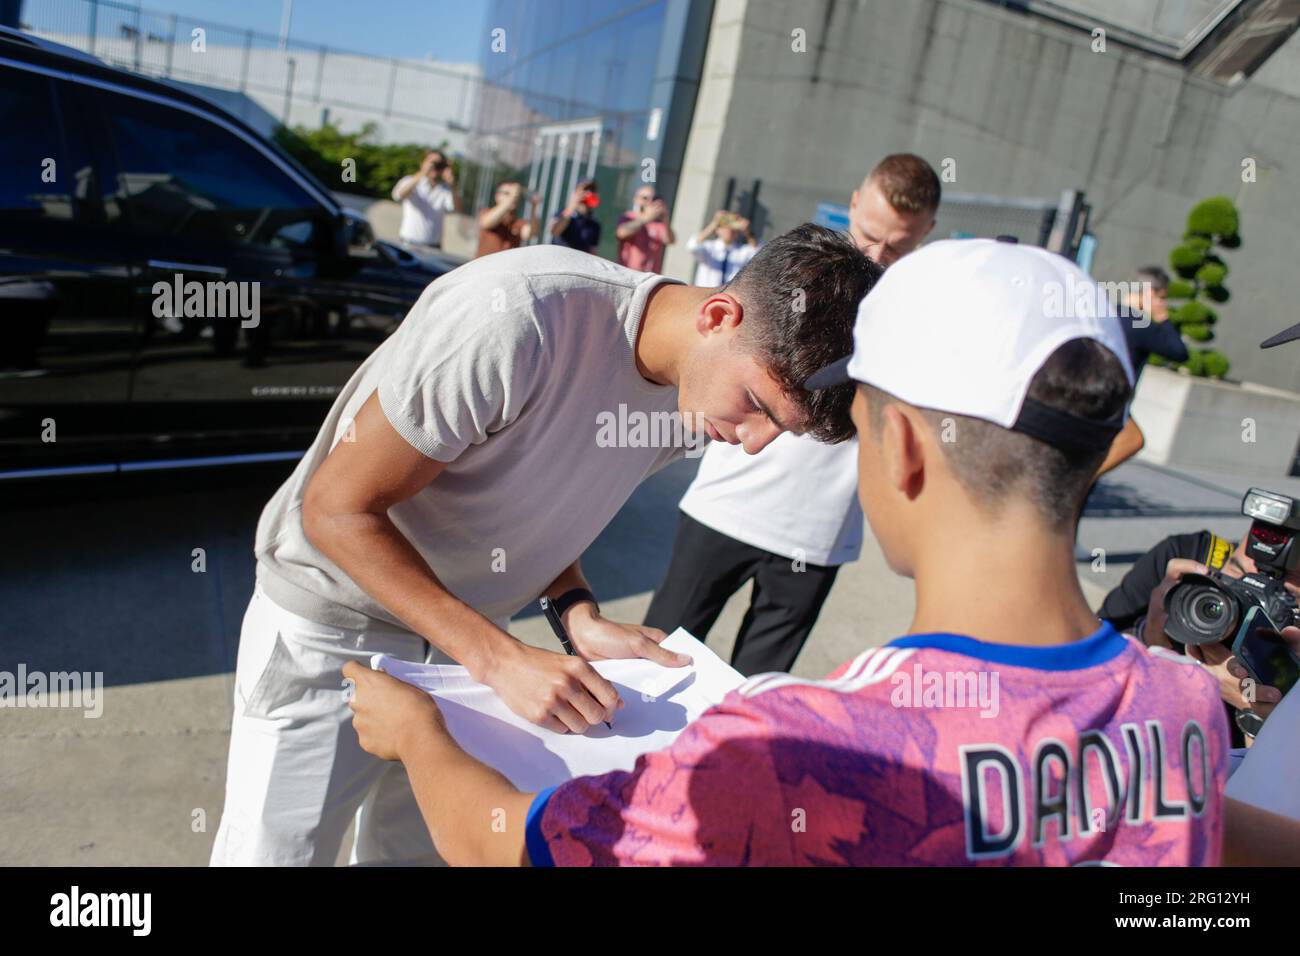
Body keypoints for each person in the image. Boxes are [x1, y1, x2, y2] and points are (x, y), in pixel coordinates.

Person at [343, 238, 1229, 866]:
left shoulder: (802, 749)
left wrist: (419, 737)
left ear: (904, 450)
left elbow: (505, 842)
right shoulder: (1184, 707)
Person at [208, 224, 877, 866]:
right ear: (718, 315)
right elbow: (336, 509)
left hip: (467, 646)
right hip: (338, 628)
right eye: (758, 405)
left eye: (779, 430)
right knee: (279, 856)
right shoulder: (519, 317)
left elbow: (543, 500)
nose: (753, 441)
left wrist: (575, 610)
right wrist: (498, 660)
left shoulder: (699, 396)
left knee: (419, 853)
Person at [643, 153, 939, 676]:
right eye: (869, 233)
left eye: (897, 245)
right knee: (657, 657)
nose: (876, 252)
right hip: (726, 504)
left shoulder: (925, 317)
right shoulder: (793, 273)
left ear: (927, 233)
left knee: (756, 692)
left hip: (816, 533)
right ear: (852, 202)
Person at [1098, 526, 1300, 746]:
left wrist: (1257, 711)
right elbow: (1083, 662)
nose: (1242, 599)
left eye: (1282, 597)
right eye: (1237, 575)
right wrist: (1151, 637)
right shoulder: (1189, 563)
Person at [1094, 265, 1189, 476]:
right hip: (1111, 401)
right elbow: (1179, 352)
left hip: (1083, 389)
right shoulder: (1140, 324)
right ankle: (1083, 481)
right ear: (1149, 293)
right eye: (1161, 298)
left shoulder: (1104, 312)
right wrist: (1163, 319)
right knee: (1132, 440)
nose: (1162, 303)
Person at [391, 149, 462, 251]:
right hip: (408, 243)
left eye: (439, 164)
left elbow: (457, 208)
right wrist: (423, 173)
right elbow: (398, 195)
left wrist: (452, 185)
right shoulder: (410, 181)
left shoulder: (447, 188)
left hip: (433, 247)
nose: (434, 167)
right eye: (432, 162)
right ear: (422, 163)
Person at [686, 210, 758, 286]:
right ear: (717, 230)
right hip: (706, 294)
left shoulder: (743, 250)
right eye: (725, 226)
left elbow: (757, 252)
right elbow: (692, 247)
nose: (729, 230)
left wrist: (747, 231)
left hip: (728, 295)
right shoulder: (708, 247)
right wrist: (714, 223)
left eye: (733, 227)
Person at [615, 185, 675, 273]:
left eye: (653, 198)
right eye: (645, 198)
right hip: (627, 273)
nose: (650, 202)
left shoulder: (658, 224)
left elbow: (670, 240)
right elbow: (621, 233)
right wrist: (646, 218)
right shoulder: (629, 217)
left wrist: (665, 219)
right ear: (636, 199)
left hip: (650, 276)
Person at [476, 181, 539, 258]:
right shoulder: (487, 212)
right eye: (507, 193)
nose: (514, 197)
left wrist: (534, 208)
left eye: (515, 195)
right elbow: (486, 223)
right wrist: (511, 197)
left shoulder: (518, 222)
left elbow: (531, 233)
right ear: (497, 196)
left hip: (507, 269)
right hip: (484, 268)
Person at [549, 179, 602, 254]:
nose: (589, 193)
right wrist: (571, 206)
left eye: (592, 190)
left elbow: (593, 251)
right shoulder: (562, 213)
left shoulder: (594, 224)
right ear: (576, 192)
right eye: (585, 189)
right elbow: (555, 231)